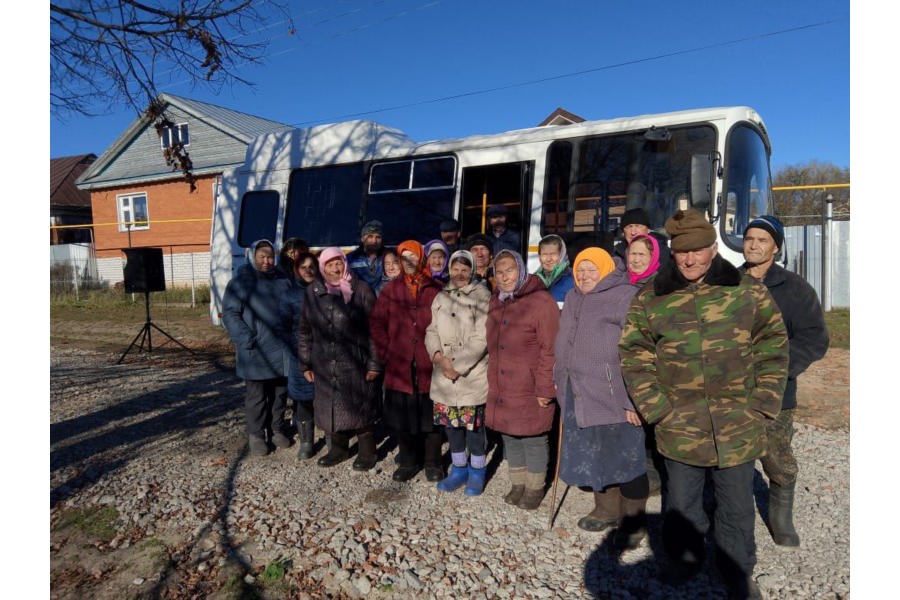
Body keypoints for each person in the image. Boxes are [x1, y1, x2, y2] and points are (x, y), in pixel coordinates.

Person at [619, 208, 788, 599]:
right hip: (679, 424)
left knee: (736, 506)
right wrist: (656, 408)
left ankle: (736, 570)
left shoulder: (746, 291)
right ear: (673, 253)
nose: (690, 259)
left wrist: (763, 401)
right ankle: (683, 562)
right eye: (682, 252)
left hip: (738, 423)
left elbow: (773, 343)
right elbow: (634, 352)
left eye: (698, 250)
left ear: (713, 248)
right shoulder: (653, 297)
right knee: (681, 504)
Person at [740, 215, 829, 547]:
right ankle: (729, 515)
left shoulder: (794, 289)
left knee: (776, 456)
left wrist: (779, 366)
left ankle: (780, 515)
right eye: (749, 238)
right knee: (730, 456)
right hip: (730, 391)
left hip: (775, 392)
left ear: (775, 247)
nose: (753, 244)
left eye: (762, 240)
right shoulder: (727, 284)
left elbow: (814, 338)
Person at [554, 247, 649, 547]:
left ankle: (633, 522)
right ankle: (606, 509)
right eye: (580, 270)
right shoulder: (572, 297)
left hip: (614, 393)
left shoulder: (625, 296)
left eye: (591, 270)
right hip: (579, 390)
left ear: (606, 268)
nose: (584, 276)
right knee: (595, 453)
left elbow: (639, 351)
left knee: (627, 458)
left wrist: (633, 399)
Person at [486, 249, 560, 510]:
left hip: (530, 383)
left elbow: (550, 348)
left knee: (534, 435)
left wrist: (545, 388)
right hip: (504, 383)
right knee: (510, 434)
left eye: (510, 270)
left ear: (521, 269)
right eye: (499, 271)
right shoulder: (497, 300)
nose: (504, 276)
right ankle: (517, 483)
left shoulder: (541, 301)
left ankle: (534, 486)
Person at [298, 247, 381, 471]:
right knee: (330, 408)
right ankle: (338, 450)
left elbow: (376, 330)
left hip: (356, 361)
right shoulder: (313, 291)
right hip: (324, 363)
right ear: (322, 266)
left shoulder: (361, 290)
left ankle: (367, 452)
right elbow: (305, 330)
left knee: (360, 409)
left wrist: (375, 363)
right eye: (330, 264)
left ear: (345, 263)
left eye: (339, 263)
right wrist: (305, 362)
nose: (335, 268)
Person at [370, 240, 445, 482]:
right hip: (400, 364)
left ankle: (432, 462)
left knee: (431, 417)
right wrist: (386, 352)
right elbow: (378, 324)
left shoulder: (436, 288)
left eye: (413, 257)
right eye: (404, 258)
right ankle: (409, 460)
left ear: (421, 258)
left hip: (429, 364)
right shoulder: (391, 290)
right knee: (403, 417)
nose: (409, 262)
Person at [425, 249, 492, 495]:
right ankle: (459, 468)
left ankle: (477, 472)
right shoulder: (441, 296)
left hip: (470, 375)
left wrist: (457, 366)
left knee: (473, 428)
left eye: (465, 270)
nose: (460, 274)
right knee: (451, 427)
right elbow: (431, 330)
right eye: (456, 269)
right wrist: (439, 357)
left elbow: (481, 337)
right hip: (443, 373)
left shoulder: (482, 295)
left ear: (472, 270)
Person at [222, 239, 293, 457]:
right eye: (261, 256)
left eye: (270, 256)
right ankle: (256, 434)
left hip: (281, 348)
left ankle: (277, 429)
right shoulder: (241, 282)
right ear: (252, 256)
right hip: (256, 349)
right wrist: (246, 338)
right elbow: (230, 314)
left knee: (280, 394)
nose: (266, 261)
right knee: (257, 395)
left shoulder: (283, 280)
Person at [625, 233, 666, 496]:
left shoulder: (661, 286)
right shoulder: (621, 283)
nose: (636, 259)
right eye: (633, 253)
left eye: (642, 254)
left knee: (649, 414)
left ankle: (653, 470)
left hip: (652, 363)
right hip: (626, 359)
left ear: (653, 258)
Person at [279, 251, 319, 460]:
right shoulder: (289, 294)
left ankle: (331, 438)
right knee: (303, 399)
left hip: (324, 354)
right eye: (303, 267)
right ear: (296, 270)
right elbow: (283, 328)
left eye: (311, 266)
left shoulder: (325, 290)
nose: (308, 270)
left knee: (325, 398)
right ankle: (306, 441)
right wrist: (296, 352)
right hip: (299, 354)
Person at [534, 234, 574, 306]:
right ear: (539, 257)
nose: (548, 259)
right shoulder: (533, 280)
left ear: (562, 255)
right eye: (544, 254)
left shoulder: (574, 279)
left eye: (553, 254)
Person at [347, 220, 386, 290]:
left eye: (378, 237)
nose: (374, 241)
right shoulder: (351, 258)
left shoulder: (388, 257)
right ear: (362, 238)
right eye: (370, 236)